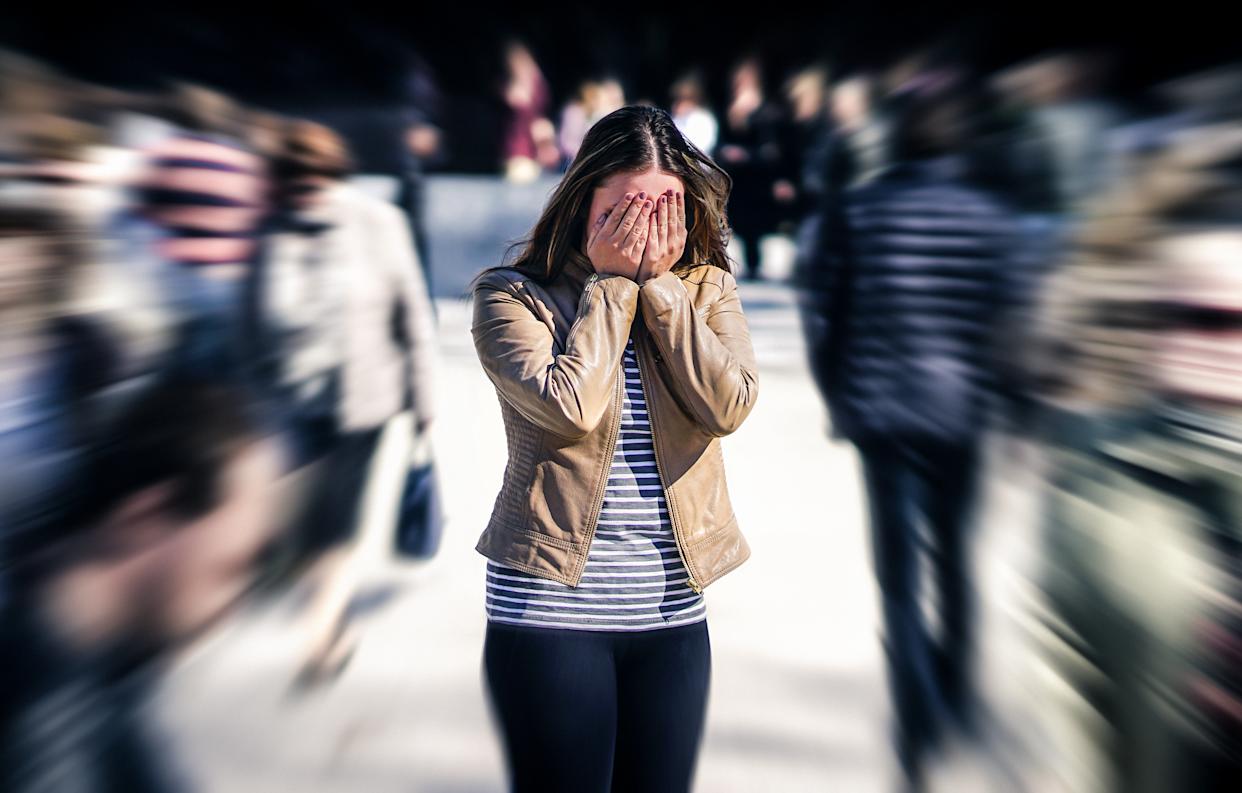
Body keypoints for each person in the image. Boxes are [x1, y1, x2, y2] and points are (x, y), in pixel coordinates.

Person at [469, 104, 758, 793]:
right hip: (548, 615)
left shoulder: (706, 291)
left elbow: (730, 404)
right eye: (629, 207)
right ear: (582, 200)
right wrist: (608, 287)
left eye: (666, 205)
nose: (649, 225)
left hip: (671, 616)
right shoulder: (514, 298)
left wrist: (657, 289)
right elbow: (571, 407)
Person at [795, 67, 1022, 790]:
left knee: (898, 582)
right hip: (961, 414)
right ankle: (953, 705)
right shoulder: (993, 218)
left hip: (884, 412)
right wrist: (1010, 406)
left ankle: (915, 732)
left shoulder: (858, 211)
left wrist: (838, 392)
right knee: (955, 561)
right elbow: (1010, 326)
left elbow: (820, 307)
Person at [0, 375, 285, 793]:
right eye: (231, 568)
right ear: (144, 519)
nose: (236, 603)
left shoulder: (105, 673)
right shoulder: (40, 726)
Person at [252, 119, 438, 686]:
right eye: (293, 179)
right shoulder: (271, 231)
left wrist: (424, 405)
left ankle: (323, 634)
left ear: (334, 173)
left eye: (314, 177)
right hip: (290, 404)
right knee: (304, 520)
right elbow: (246, 324)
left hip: (363, 403)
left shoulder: (378, 224)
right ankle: (323, 609)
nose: (304, 189)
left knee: (334, 520)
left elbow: (413, 313)